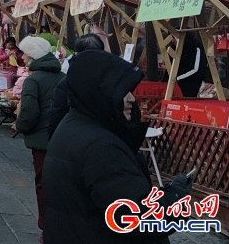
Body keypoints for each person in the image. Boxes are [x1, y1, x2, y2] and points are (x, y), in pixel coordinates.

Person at [43, 50, 193, 243]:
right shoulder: (100, 147)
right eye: (123, 90)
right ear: (101, 91)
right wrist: (176, 198)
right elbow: (138, 221)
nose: (131, 98)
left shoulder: (75, 125)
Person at [14, 36, 62, 238]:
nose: (22, 57)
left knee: (42, 183)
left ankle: (46, 227)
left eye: (25, 53)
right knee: (60, 183)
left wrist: (19, 125)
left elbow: (29, 113)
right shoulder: (62, 76)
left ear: (33, 55)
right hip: (61, 138)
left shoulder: (33, 79)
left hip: (42, 140)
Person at [45, 33, 105, 137]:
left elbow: (57, 112)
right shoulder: (111, 77)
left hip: (75, 135)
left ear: (77, 53)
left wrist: (53, 137)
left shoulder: (69, 80)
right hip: (106, 137)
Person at [176, 31, 209, 97]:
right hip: (179, 87)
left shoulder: (196, 50)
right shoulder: (178, 50)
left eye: (175, 38)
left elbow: (196, 70)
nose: (173, 41)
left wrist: (177, 79)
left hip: (191, 88)